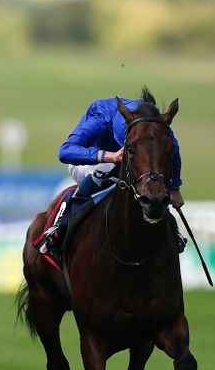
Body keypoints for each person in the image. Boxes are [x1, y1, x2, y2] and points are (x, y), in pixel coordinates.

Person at [42, 92, 186, 255]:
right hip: (88, 165)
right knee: (105, 168)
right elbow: (65, 152)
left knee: (153, 180)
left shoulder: (154, 124)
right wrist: (110, 156)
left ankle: (172, 231)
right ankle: (60, 226)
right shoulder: (102, 114)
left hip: (130, 167)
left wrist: (175, 188)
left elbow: (174, 150)